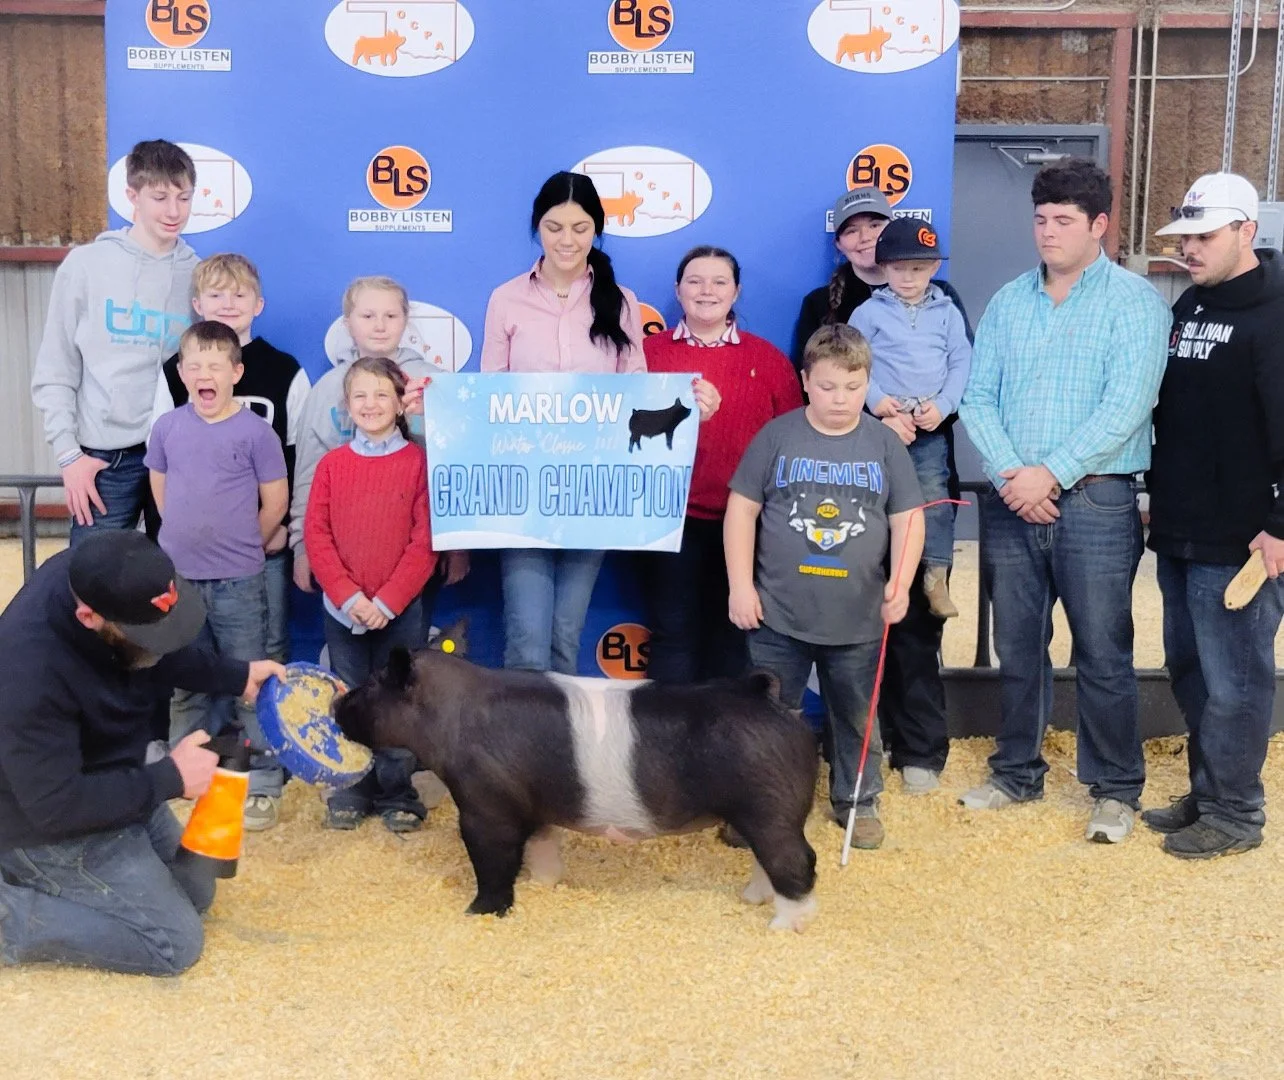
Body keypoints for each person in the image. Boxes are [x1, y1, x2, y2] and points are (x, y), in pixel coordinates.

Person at [957, 158, 1171, 842]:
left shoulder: (1135, 303)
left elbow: (1127, 406)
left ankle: (1114, 788)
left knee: (1103, 650)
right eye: (1040, 219)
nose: (1047, 232)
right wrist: (1014, 475)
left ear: (1099, 226)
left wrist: (1049, 473)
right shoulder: (1008, 300)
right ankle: (1016, 771)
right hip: (1013, 497)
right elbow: (977, 397)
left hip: (1097, 502)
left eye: (1064, 221)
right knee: (1018, 645)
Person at [0, 530, 284, 975]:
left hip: (112, 775)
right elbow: (53, 806)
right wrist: (170, 778)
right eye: (146, 633)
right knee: (174, 943)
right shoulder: (26, 673)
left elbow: (158, 647)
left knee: (197, 891)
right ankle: (10, 917)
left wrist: (238, 675)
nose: (160, 639)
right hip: (45, 824)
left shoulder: (108, 577)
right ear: (88, 616)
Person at [793, 186, 973, 795]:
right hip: (848, 474)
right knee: (856, 606)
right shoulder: (828, 304)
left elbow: (957, 373)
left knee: (916, 613)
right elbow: (815, 386)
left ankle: (920, 746)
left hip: (922, 456)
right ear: (840, 242)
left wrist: (926, 416)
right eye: (853, 230)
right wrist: (877, 416)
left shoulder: (942, 302)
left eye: (877, 225)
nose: (866, 237)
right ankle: (856, 747)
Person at [725, 323, 923, 850]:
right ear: (806, 380)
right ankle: (759, 807)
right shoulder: (777, 436)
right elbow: (742, 511)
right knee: (767, 719)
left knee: (857, 717)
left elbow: (909, 518)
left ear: (868, 384)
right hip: (777, 613)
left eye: (854, 388)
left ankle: (858, 802)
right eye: (829, 386)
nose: (841, 399)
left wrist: (901, 583)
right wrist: (740, 587)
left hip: (858, 617)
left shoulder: (884, 444)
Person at [1143, 172, 1284, 858]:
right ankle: (1210, 791)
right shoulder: (1192, 308)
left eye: (1204, 236)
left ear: (1245, 233)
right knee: (1191, 671)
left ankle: (1237, 814)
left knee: (1236, 681)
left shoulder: (1277, 312)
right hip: (1180, 524)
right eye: (1185, 238)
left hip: (1244, 538)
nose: (1189, 249)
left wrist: (1280, 526)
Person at [480, 170, 645, 673]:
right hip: (522, 489)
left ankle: (555, 750)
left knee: (565, 637)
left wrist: (688, 403)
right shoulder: (505, 299)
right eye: (554, 227)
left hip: (591, 488)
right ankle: (513, 753)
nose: (567, 239)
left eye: (580, 227)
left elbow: (637, 391)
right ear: (537, 228)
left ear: (596, 230)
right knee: (527, 637)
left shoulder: (621, 302)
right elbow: (490, 393)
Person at [147, 321, 289, 831]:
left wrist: (243, 543)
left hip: (239, 582)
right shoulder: (166, 429)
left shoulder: (256, 432)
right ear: (182, 373)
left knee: (250, 684)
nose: (203, 375)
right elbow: (160, 493)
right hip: (179, 582)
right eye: (194, 366)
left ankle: (264, 783)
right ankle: (182, 777)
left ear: (236, 372)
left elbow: (276, 501)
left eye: (215, 366)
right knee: (185, 685)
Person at [642, 245, 796, 683]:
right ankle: (668, 748)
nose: (706, 291)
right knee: (673, 635)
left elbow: (792, 442)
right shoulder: (646, 356)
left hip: (747, 522)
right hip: (669, 521)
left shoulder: (767, 360)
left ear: (736, 292)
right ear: (677, 290)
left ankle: (725, 748)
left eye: (719, 282)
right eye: (694, 280)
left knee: (735, 637)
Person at [31, 139, 197, 545]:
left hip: (177, 457)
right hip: (104, 461)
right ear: (132, 197)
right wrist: (70, 456)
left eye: (184, 197)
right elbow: (56, 369)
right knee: (95, 588)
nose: (173, 211)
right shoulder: (86, 265)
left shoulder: (199, 274)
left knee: (174, 586)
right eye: (160, 197)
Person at [154, 253, 311, 665]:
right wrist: (173, 529)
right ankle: (205, 730)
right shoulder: (174, 371)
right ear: (197, 304)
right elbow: (159, 460)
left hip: (267, 539)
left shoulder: (285, 370)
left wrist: (283, 528)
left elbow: (301, 456)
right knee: (192, 651)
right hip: (191, 553)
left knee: (267, 645)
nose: (228, 303)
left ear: (258, 305)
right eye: (216, 294)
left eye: (239, 294)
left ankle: (257, 729)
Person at [304, 357, 437, 832]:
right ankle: (352, 787)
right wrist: (347, 597)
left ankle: (398, 792)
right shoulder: (331, 466)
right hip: (342, 611)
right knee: (350, 697)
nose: (371, 404)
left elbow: (425, 541)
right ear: (346, 404)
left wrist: (386, 603)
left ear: (401, 403)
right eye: (360, 395)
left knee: (399, 700)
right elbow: (316, 536)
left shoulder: (419, 463)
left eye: (382, 394)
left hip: (399, 611)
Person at [290, 276, 467, 603]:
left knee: (408, 646)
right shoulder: (327, 390)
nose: (380, 326)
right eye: (368, 316)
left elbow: (458, 467)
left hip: (419, 545)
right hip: (345, 548)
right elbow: (309, 473)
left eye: (391, 316)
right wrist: (302, 545)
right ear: (347, 323)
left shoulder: (439, 384)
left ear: (406, 320)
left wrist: (456, 542)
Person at [849, 217, 971, 620]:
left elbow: (962, 362)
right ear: (883, 269)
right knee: (874, 502)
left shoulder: (948, 312)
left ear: (935, 267)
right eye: (899, 268)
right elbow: (852, 365)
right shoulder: (867, 313)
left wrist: (945, 405)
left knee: (934, 500)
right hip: (882, 427)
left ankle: (935, 576)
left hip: (929, 424)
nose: (908, 276)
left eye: (918, 268)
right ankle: (868, 576)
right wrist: (880, 403)